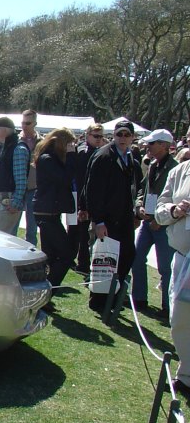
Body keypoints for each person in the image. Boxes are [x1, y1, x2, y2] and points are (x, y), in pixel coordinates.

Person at [84, 119, 138, 313]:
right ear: (113, 135)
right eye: (119, 134)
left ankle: (113, 296)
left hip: (123, 218)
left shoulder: (130, 157)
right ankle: (98, 300)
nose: (123, 138)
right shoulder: (104, 155)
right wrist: (98, 220)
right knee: (105, 260)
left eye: (126, 134)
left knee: (127, 255)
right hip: (106, 219)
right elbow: (92, 190)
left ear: (132, 137)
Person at [131, 129, 178, 318]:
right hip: (147, 222)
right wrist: (139, 205)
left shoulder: (175, 169)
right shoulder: (151, 165)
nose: (147, 146)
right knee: (136, 258)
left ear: (165, 146)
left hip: (164, 226)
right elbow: (144, 189)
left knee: (166, 268)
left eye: (152, 144)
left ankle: (168, 307)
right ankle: (139, 298)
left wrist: (161, 219)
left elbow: (175, 199)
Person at [155, 158, 190, 396]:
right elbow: (159, 211)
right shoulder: (179, 171)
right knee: (179, 318)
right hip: (183, 258)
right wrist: (175, 211)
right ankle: (186, 376)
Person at [32, 128, 78, 288]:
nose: (71, 147)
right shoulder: (47, 159)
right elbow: (65, 178)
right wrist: (72, 156)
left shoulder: (50, 158)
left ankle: (43, 291)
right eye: (69, 144)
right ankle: (48, 289)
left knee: (50, 256)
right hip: (46, 213)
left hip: (50, 212)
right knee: (66, 254)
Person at [69, 124, 105, 274]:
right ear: (87, 135)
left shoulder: (103, 152)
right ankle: (75, 261)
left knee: (91, 232)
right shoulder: (82, 152)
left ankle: (89, 263)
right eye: (95, 136)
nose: (99, 139)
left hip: (97, 198)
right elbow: (77, 176)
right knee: (78, 231)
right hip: (80, 197)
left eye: (101, 136)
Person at [0, 117, 28, 234]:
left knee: (0, 237)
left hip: (8, 200)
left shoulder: (19, 149)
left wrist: (16, 201)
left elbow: (21, 179)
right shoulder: (1, 148)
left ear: (5, 130)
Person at [19, 110, 40, 245]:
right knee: (10, 225)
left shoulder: (42, 142)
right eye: (22, 123)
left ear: (35, 123)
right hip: (16, 188)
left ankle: (31, 254)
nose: (24, 126)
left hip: (33, 188)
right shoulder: (16, 140)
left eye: (28, 123)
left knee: (31, 227)